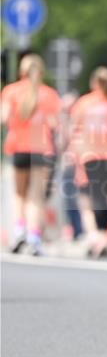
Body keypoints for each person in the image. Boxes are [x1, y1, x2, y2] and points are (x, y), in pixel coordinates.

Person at [1, 54, 60, 255]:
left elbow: (4, 118)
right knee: (36, 197)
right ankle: (34, 238)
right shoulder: (49, 94)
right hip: (41, 149)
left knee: (19, 195)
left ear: (22, 71)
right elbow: (54, 124)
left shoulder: (11, 91)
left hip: (18, 147)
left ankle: (19, 232)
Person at [69, 67, 107, 259]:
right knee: (103, 196)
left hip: (89, 154)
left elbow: (74, 130)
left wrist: (74, 153)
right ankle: (101, 237)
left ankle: (98, 237)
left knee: (93, 197)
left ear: (93, 82)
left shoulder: (83, 103)